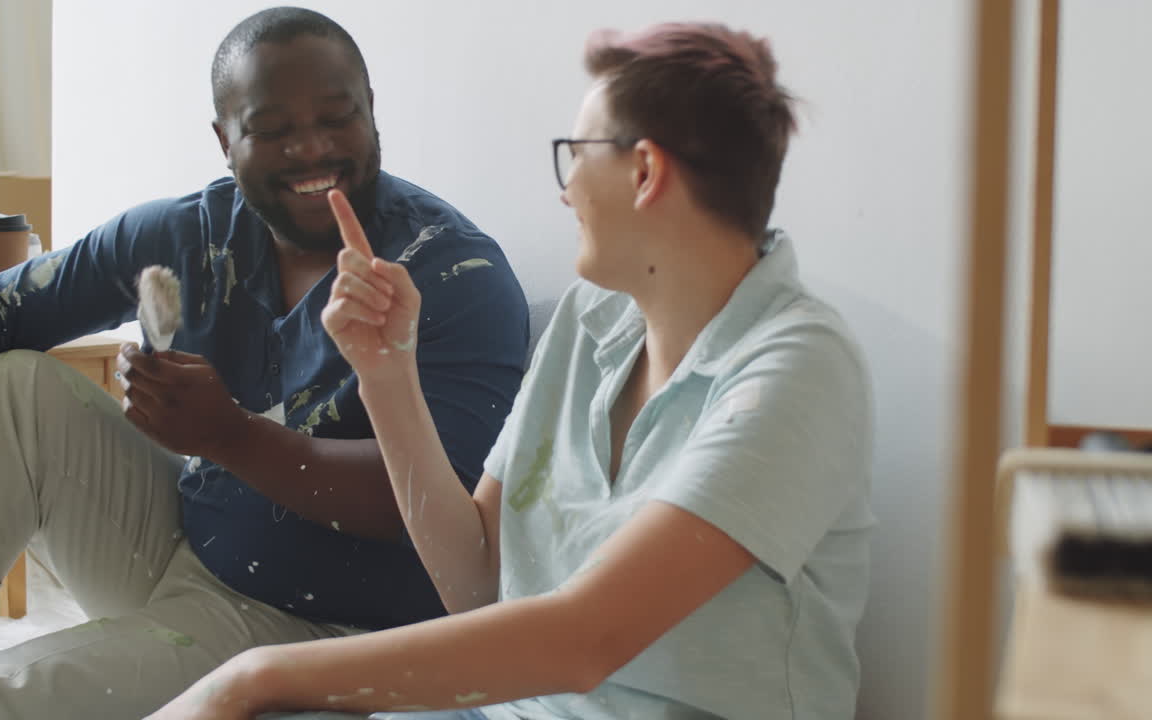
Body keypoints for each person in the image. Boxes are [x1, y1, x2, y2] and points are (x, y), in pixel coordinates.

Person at [148, 20, 875, 720]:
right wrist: (387, 376)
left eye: (576, 154)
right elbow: (474, 583)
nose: (565, 193)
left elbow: (584, 642)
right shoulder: (592, 321)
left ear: (646, 171)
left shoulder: (797, 369)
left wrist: (255, 676)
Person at [0, 6, 528, 718]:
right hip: (194, 550)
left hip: (329, 628)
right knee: (10, 391)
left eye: (338, 117)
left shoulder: (454, 275)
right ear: (226, 140)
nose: (312, 148)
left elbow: (449, 517)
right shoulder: (195, 232)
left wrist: (230, 437)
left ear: (372, 112)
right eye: (273, 130)